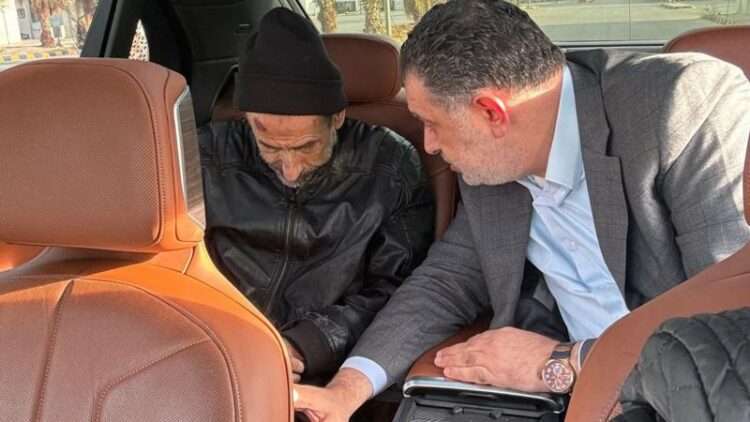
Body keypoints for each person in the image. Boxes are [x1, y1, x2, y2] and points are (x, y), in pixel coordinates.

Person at [292, 0, 750, 419]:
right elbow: (445, 281)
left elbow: (731, 315)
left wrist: (564, 361)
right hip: (560, 393)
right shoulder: (492, 166)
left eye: (431, 123)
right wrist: (346, 391)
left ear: (492, 113)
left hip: (685, 389)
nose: (428, 144)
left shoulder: (679, 108)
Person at [198, 7, 435, 383]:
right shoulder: (209, 156)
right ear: (248, 121)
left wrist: (307, 345)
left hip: (330, 365)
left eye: (306, 147)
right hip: (216, 350)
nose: (290, 169)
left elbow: (400, 288)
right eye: (270, 147)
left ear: (337, 117)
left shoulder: (388, 166)